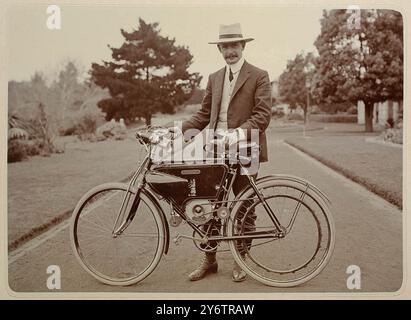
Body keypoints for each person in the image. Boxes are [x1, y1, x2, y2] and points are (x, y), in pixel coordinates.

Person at [171, 23, 272, 282]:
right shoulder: (215, 77)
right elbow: (204, 115)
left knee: (245, 206)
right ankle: (209, 260)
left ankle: (241, 259)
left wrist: (236, 133)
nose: (230, 51)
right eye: (225, 46)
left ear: (243, 46)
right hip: (217, 151)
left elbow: (262, 116)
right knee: (210, 207)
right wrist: (177, 131)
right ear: (220, 49)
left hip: (247, 148)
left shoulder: (259, 75)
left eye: (234, 45)